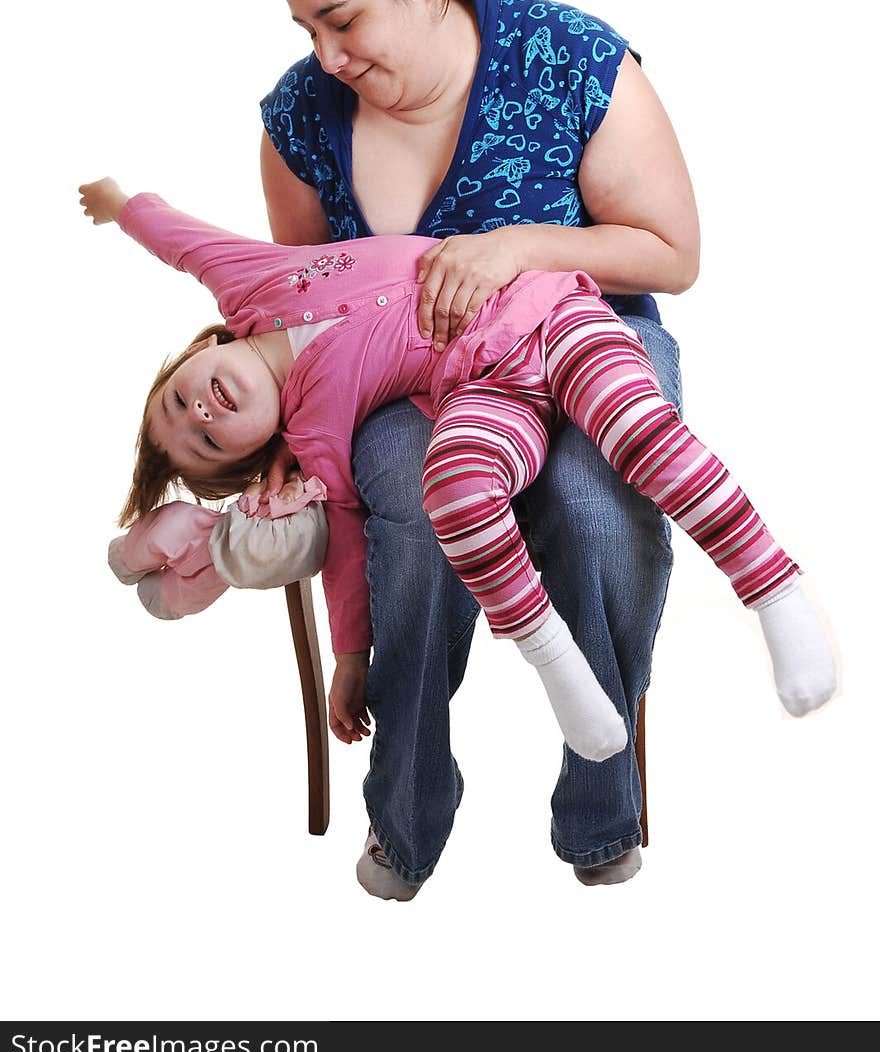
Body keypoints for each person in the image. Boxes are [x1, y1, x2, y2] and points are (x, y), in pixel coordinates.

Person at [79, 180, 837, 868]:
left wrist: (118, 205)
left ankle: (773, 592)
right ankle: (560, 668)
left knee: (635, 428)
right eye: (207, 441)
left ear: (200, 350)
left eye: (182, 400)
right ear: (256, 452)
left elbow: (179, 237)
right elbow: (346, 549)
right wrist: (352, 659)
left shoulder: (249, 282)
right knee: (454, 486)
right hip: (484, 386)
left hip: (548, 314)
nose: (203, 413)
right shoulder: (316, 434)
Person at [254, 0, 701, 896]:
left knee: (597, 512)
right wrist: (285, 437)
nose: (327, 55)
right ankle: (406, 816)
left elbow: (673, 253)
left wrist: (517, 248)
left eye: (344, 18)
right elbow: (302, 308)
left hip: (584, 338)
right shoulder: (300, 118)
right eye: (307, 25)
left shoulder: (567, 58)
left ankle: (602, 806)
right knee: (409, 514)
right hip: (412, 375)